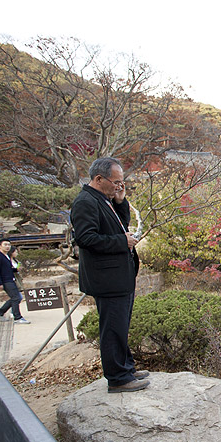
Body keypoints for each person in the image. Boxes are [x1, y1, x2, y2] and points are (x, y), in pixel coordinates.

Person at [71, 157, 149, 393]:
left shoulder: (104, 200)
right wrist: (122, 241)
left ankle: (126, 368)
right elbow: (85, 239)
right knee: (113, 327)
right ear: (98, 179)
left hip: (119, 277)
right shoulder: (86, 202)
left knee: (120, 326)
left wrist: (121, 201)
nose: (118, 186)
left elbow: (119, 225)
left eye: (121, 182)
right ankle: (118, 378)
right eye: (116, 182)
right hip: (107, 279)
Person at [0, 239, 30, 324]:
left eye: (9, 245)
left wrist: (15, 270)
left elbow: (6, 269)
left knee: (16, 298)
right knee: (16, 298)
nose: (7, 246)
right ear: (0, 246)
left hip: (10, 279)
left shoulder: (6, 256)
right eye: (5, 245)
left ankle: (0, 313)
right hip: (6, 281)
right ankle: (17, 317)